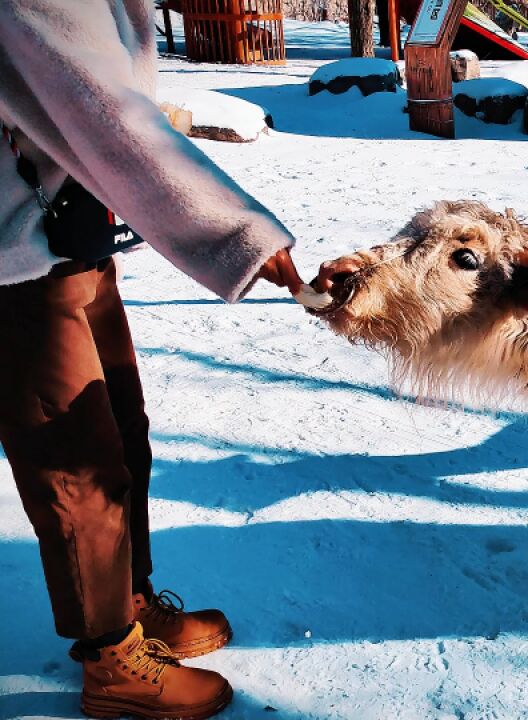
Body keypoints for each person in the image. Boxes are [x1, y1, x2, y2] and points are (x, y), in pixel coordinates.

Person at [0, 2, 304, 718]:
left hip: (64, 242)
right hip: (13, 265)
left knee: (122, 433)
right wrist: (239, 233)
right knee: (76, 463)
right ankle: (111, 664)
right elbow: (105, 114)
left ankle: (126, 605)